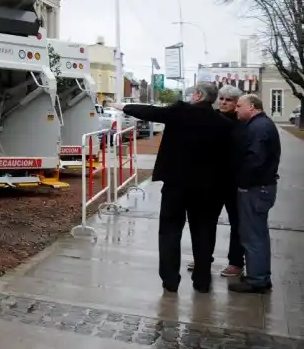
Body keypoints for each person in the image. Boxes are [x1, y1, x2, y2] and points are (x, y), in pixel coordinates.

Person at [112, 82, 233, 293]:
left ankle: (170, 280)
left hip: (176, 185)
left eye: (192, 93)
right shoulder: (223, 123)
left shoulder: (180, 111)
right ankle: (202, 280)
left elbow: (152, 112)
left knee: (170, 231)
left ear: (198, 95)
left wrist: (124, 106)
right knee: (204, 232)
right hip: (208, 189)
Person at [187, 85, 244, 277]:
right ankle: (203, 258)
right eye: (221, 98)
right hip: (212, 181)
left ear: (237, 103)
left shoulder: (242, 122)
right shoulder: (211, 118)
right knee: (206, 222)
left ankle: (236, 262)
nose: (223, 102)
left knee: (237, 223)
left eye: (229, 100)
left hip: (234, 182)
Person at [229, 94, 280, 294]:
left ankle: (257, 280)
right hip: (262, 187)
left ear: (251, 107)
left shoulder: (258, 127)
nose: (235, 109)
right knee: (258, 234)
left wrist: (241, 182)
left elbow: (255, 159)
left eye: (239, 105)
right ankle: (260, 275)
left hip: (255, 188)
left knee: (252, 236)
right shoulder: (262, 124)